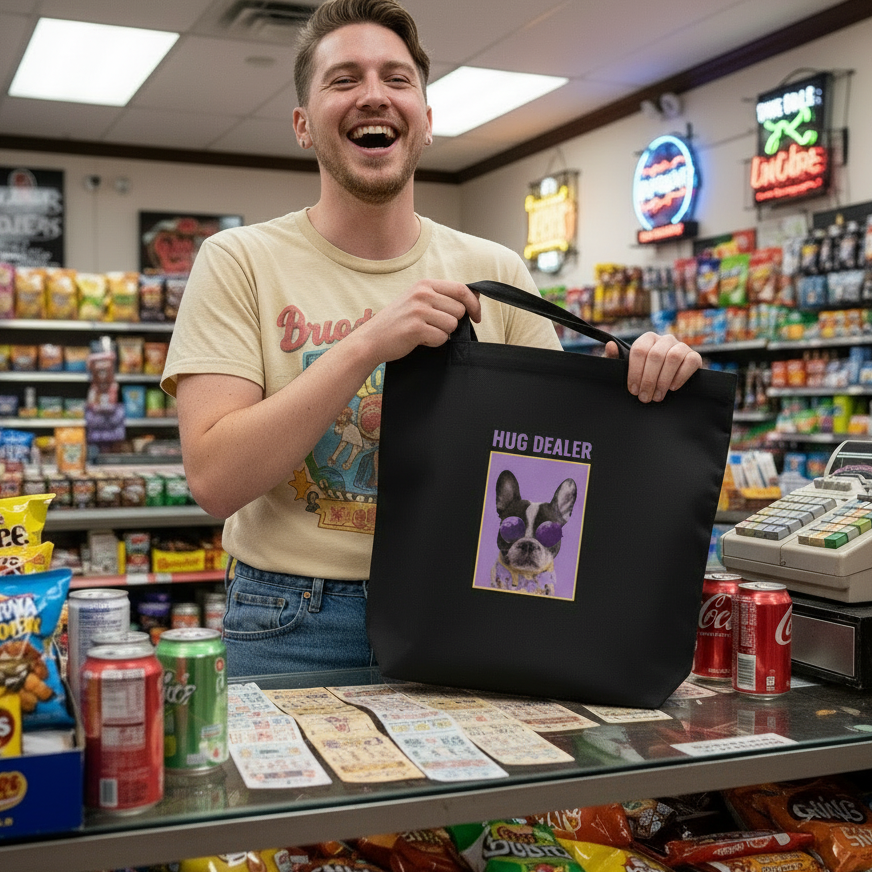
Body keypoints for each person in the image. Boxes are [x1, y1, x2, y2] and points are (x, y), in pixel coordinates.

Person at [161, 0, 702, 678]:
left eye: (396, 78)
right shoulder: (238, 260)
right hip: (294, 619)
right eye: (342, 79)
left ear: (426, 121)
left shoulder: (499, 272)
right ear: (303, 125)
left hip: (474, 599)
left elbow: (551, 467)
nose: (372, 96)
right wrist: (365, 344)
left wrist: (641, 385)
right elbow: (215, 480)